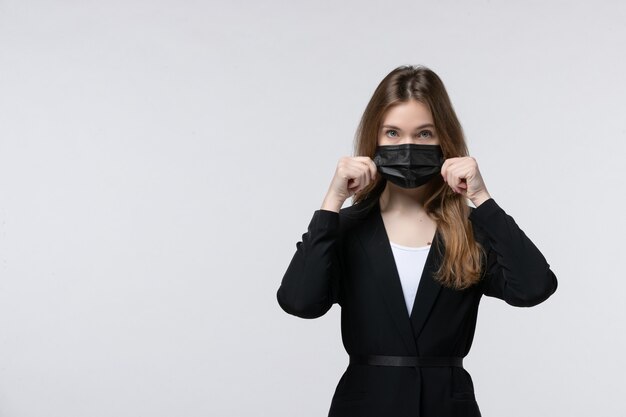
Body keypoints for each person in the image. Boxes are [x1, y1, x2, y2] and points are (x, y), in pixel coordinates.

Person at [276, 65, 558, 417]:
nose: (407, 147)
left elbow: (534, 287)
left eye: (424, 134)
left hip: (447, 406)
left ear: (445, 142)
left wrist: (482, 197)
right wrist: (332, 202)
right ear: (373, 142)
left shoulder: (470, 231)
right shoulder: (346, 229)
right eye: (392, 133)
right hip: (365, 405)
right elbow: (300, 302)